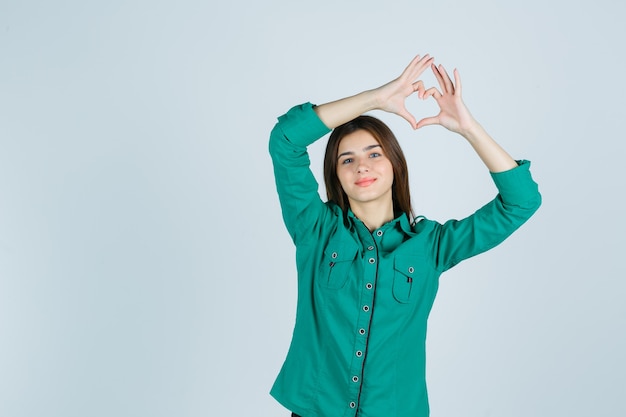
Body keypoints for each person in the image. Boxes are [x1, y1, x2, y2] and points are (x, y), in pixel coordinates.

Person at [268, 54, 541, 417]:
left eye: (373, 153)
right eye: (346, 159)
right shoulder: (315, 229)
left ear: (395, 165)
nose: (361, 165)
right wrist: (373, 99)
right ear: (337, 175)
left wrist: (468, 127)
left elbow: (521, 202)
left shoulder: (432, 246)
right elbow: (285, 140)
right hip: (314, 408)